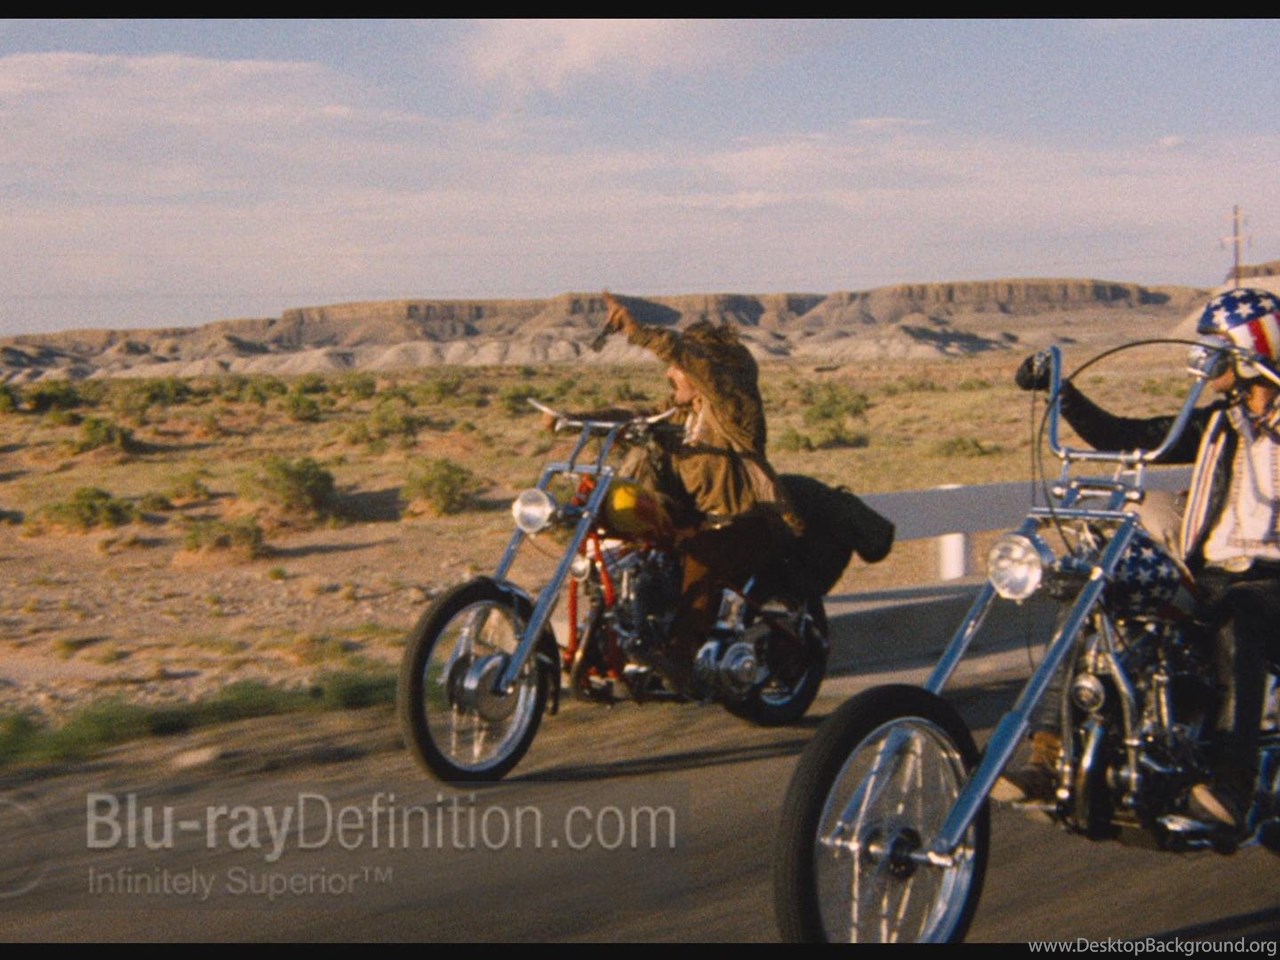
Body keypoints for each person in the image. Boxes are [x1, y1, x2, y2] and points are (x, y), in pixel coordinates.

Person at [1002, 287, 1280, 830]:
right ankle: (1050, 754)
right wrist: (1062, 393)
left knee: (1241, 613)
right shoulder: (1218, 424)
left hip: (1269, 583)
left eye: (1218, 347)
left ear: (1253, 349)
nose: (1205, 358)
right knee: (1095, 589)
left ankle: (1234, 782)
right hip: (1210, 573)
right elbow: (1124, 436)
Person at [598, 292, 802, 696]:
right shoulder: (682, 413)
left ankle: (681, 657)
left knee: (702, 554)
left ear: (701, 372)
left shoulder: (732, 408)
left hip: (747, 521)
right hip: (700, 519)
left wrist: (637, 332)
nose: (669, 375)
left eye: (678, 369)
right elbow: (637, 417)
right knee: (637, 546)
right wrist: (575, 420)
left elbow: (696, 363)